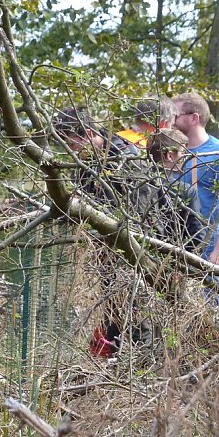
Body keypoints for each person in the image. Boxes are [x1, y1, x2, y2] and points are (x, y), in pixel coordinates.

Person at [54, 105, 139, 358]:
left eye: (71, 142)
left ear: (87, 133)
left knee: (131, 305)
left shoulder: (123, 152)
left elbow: (136, 206)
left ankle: (132, 358)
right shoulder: (84, 160)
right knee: (112, 302)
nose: (71, 150)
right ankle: (113, 354)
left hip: (133, 244)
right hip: (104, 246)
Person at [172, 93, 219, 301]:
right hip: (174, 242)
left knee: (209, 306)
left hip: (207, 244)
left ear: (194, 118)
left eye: (176, 115)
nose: (171, 120)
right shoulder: (171, 149)